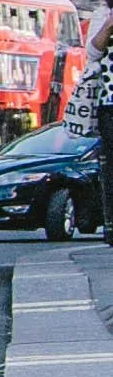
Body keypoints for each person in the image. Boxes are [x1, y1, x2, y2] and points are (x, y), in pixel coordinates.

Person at [64, 26, 113, 237]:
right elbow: (92, 53)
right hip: (109, 105)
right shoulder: (105, 16)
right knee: (110, 169)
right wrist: (109, 24)